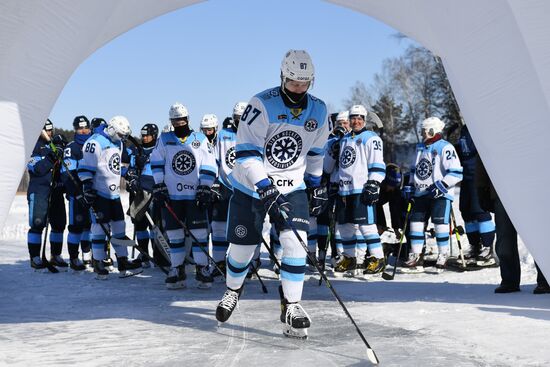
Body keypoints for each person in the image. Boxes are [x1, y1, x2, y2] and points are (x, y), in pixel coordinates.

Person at [215, 49, 329, 339]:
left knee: (296, 243)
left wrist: (315, 184)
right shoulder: (261, 104)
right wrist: (265, 189)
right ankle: (232, 290)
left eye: (304, 84)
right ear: (283, 77)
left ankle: (292, 305)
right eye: (293, 83)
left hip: (292, 187)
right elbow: (247, 154)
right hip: (252, 187)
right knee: (242, 250)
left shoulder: (319, 109)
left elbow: (316, 151)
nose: (298, 89)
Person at [150, 103, 217, 289]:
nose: (179, 123)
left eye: (181, 119)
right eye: (175, 120)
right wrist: (159, 184)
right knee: (174, 234)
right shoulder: (164, 139)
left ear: (187, 119)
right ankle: (177, 269)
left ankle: (202, 268)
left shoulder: (200, 138)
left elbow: (209, 164)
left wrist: (205, 186)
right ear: (171, 121)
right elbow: (156, 161)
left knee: (200, 233)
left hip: (194, 195)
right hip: (172, 196)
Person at [78, 116, 142, 279]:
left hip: (114, 194)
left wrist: (128, 174)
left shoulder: (118, 142)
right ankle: (98, 262)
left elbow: (114, 165)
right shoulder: (95, 143)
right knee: (99, 229)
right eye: (121, 135)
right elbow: (86, 167)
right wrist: (87, 187)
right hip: (100, 192)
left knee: (119, 227)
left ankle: (122, 260)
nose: (122, 138)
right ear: (112, 129)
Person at [476, 158, 550, 294]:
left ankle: (546, 279)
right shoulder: (492, 136)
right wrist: (481, 187)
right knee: (504, 238)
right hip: (501, 190)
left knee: (538, 236)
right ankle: (509, 280)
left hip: (532, 188)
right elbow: (483, 157)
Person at [402, 117, 463, 272]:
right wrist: (409, 185)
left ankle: (443, 254)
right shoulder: (420, 148)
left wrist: (441, 185)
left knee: (440, 224)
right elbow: (414, 169)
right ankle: (416, 255)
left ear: (433, 130)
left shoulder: (445, 147)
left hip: (440, 195)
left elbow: (456, 173)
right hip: (420, 193)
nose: (423, 133)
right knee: (415, 223)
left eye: (425, 130)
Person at [331, 104, 386, 277]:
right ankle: (350, 258)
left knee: (366, 226)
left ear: (364, 120)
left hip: (361, 189)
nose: (356, 121)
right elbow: (342, 165)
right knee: (345, 226)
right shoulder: (345, 139)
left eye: (359, 118)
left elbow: (378, 164)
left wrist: (374, 183)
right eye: (353, 118)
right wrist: (334, 183)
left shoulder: (371, 138)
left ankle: (378, 259)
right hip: (344, 190)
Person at [210, 102, 247, 277]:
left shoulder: (254, 134)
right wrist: (215, 181)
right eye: (237, 119)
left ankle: (249, 263)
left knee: (247, 226)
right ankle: (218, 263)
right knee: (218, 226)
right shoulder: (223, 135)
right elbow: (214, 159)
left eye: (242, 118)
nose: (239, 122)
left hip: (247, 188)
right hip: (225, 186)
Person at [26, 119, 68, 270]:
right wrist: (52, 156)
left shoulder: (54, 145)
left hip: (56, 191)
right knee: (37, 224)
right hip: (39, 191)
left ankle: (55, 255)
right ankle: (35, 257)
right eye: (47, 130)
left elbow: (63, 169)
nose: (50, 133)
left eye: (51, 130)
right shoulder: (32, 146)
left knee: (59, 224)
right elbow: (38, 169)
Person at [125, 123, 167, 267]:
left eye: (147, 135)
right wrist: (131, 177)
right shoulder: (135, 150)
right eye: (143, 135)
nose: (144, 138)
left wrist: (143, 181)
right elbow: (130, 168)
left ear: (154, 135)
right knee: (139, 224)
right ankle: (143, 254)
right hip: (137, 192)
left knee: (154, 225)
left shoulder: (159, 149)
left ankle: (158, 255)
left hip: (152, 192)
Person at [456, 124, 496, 266]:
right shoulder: (464, 129)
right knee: (466, 212)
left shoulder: (478, 125)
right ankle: (475, 246)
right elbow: (462, 151)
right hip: (465, 176)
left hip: (477, 175)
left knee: (479, 211)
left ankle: (488, 249)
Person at [61, 115, 93, 271]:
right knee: (75, 227)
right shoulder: (71, 148)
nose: (83, 131)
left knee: (89, 226)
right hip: (77, 195)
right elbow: (67, 174)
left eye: (85, 127)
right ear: (75, 129)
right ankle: (73, 258)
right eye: (80, 128)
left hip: (92, 192)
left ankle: (87, 255)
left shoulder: (93, 144)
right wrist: (76, 192)